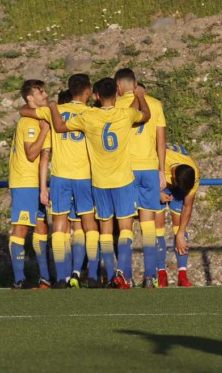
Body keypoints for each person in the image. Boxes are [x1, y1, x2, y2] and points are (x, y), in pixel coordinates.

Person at [47, 77, 151, 288]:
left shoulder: (89, 115)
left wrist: (53, 107)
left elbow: (58, 127)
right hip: (123, 180)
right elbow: (145, 115)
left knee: (105, 229)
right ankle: (123, 275)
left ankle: (111, 276)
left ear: (95, 96)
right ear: (117, 94)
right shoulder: (126, 114)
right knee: (125, 228)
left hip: (100, 182)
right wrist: (140, 96)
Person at [21, 74, 100, 289]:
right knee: (88, 224)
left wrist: (51, 107)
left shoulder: (52, 112)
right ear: (87, 92)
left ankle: (62, 278)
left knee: (59, 224)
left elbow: (24, 111)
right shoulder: (92, 113)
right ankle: (92, 275)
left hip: (60, 176)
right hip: (85, 176)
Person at [114, 71, 167, 289]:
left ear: (118, 85)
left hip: (126, 170)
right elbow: (161, 139)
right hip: (149, 169)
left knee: (125, 224)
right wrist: (161, 170)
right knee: (148, 224)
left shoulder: (116, 106)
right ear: (136, 84)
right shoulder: (154, 103)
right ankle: (150, 276)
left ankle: (124, 275)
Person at [8, 79, 51, 289]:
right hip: (25, 182)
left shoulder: (37, 117)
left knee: (42, 227)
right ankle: (19, 279)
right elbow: (31, 153)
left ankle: (44, 278)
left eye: (45, 91)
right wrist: (44, 131)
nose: (45, 95)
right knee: (22, 228)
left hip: (36, 183)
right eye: (39, 92)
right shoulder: (29, 123)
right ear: (29, 98)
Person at [155, 142, 200, 287]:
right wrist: (157, 192)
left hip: (175, 180)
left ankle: (182, 275)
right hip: (156, 181)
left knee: (179, 227)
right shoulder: (159, 160)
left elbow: (188, 205)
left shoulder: (193, 174)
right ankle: (161, 274)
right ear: (173, 177)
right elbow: (141, 179)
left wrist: (180, 233)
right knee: (158, 227)